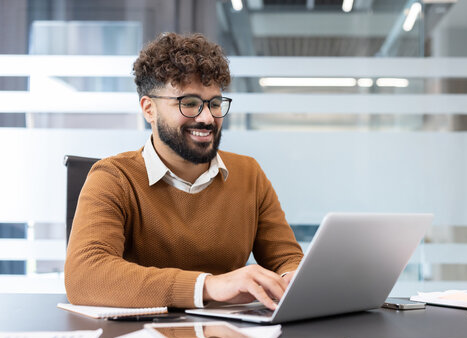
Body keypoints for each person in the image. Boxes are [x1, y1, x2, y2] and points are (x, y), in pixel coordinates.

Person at [64, 33, 304, 310]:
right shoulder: (114, 177)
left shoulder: (249, 173)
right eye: (188, 103)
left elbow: (285, 256)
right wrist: (209, 286)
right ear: (149, 109)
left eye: (215, 103)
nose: (206, 118)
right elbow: (86, 277)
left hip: (232, 336)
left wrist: (292, 277)